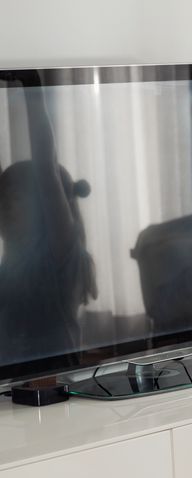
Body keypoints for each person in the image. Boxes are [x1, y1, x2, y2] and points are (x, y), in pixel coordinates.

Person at [0, 81, 97, 370]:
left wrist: (32, 89)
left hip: (54, 386)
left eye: (10, 202)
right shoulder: (11, 264)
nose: (2, 210)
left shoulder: (62, 254)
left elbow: (46, 167)